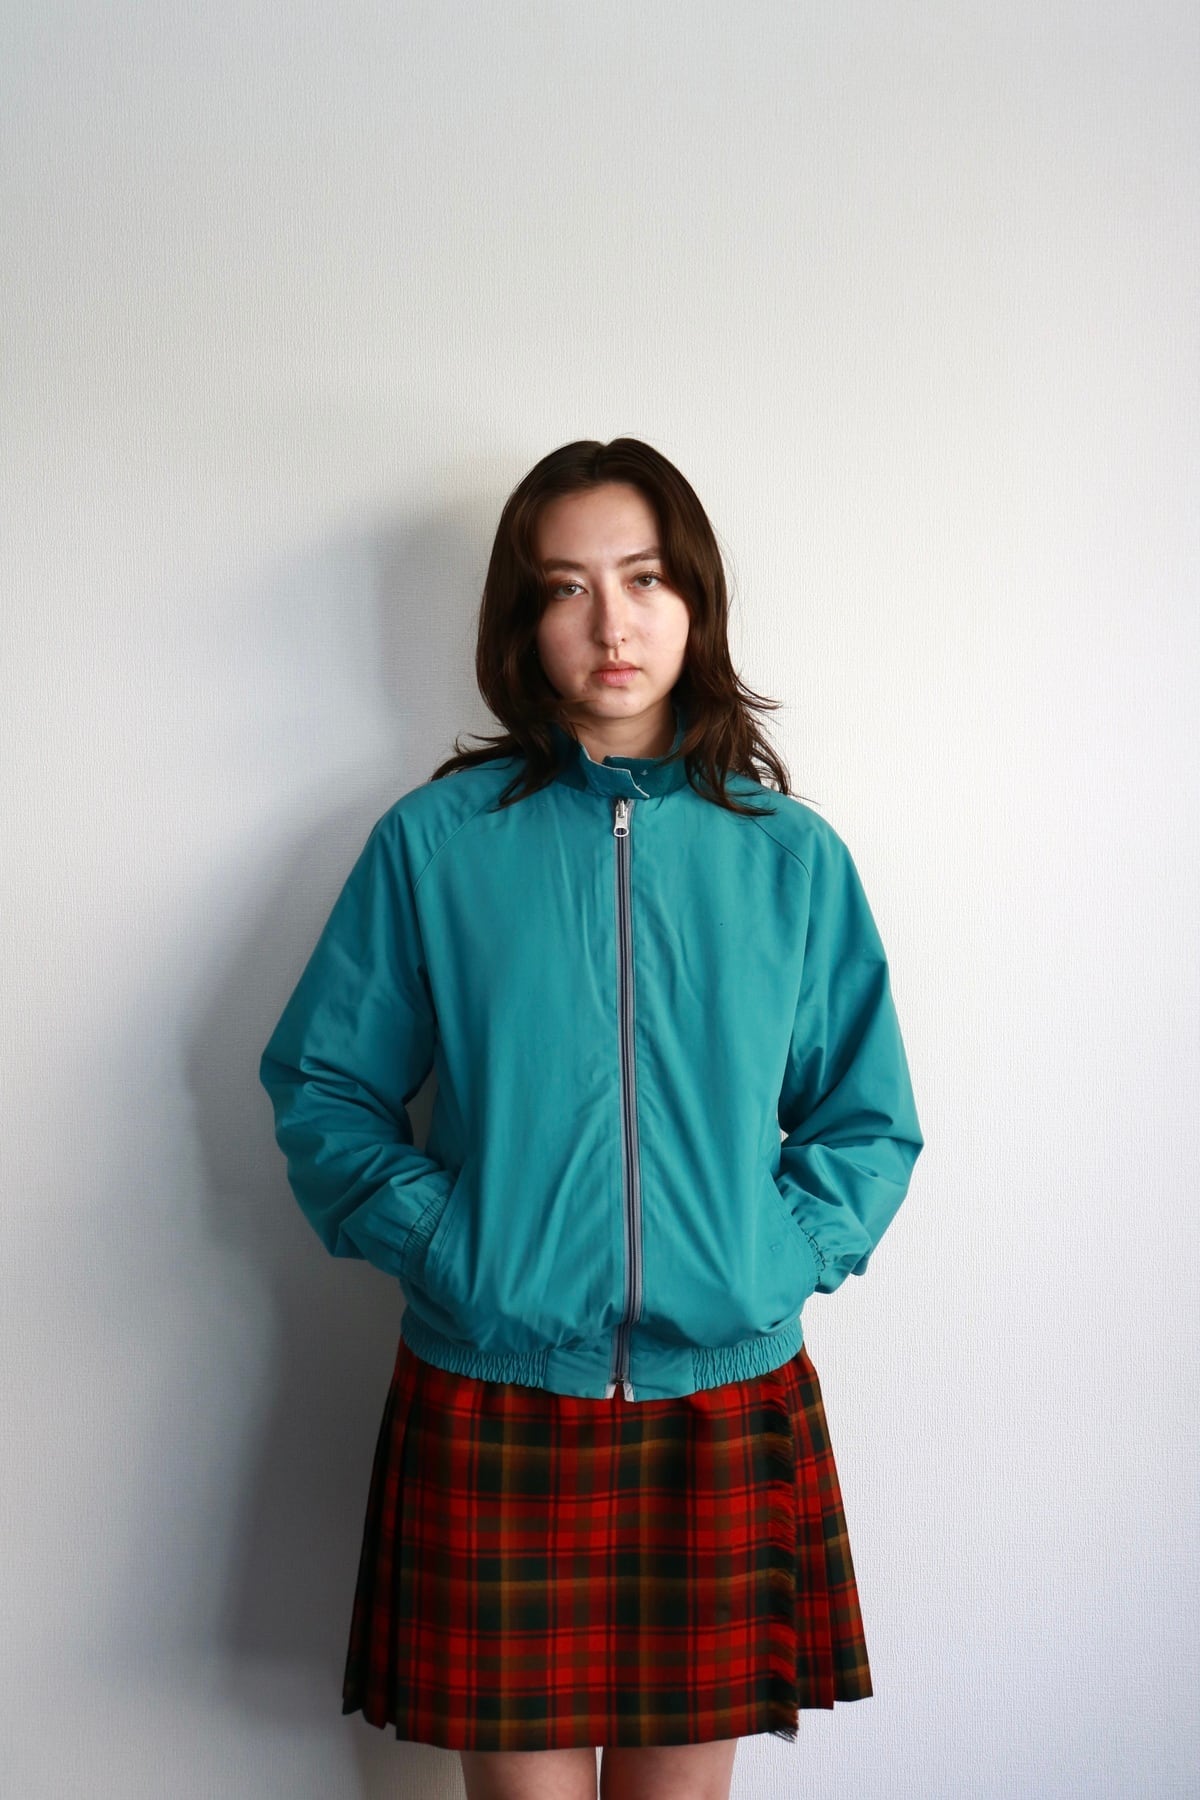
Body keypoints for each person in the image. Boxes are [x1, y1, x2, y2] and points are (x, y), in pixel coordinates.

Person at [258, 437, 924, 1800]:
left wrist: (772, 1255)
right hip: (496, 1387)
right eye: (566, 587)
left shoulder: (788, 855)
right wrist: (450, 1243)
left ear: (697, 599)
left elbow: (864, 1119)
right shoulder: (437, 843)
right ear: (522, 620)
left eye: (644, 577)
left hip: (720, 1397)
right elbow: (325, 1088)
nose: (611, 623)